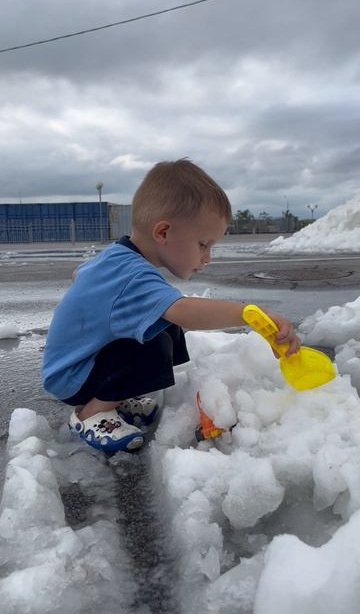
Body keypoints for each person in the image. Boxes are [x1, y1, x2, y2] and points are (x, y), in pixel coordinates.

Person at [42, 159, 300, 453]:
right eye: (203, 244)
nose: (208, 257)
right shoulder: (132, 275)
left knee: (161, 327)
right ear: (163, 232)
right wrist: (250, 314)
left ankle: (114, 395)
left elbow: (80, 273)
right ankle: (92, 413)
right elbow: (184, 312)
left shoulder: (118, 256)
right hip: (73, 378)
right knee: (155, 344)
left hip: (73, 365)